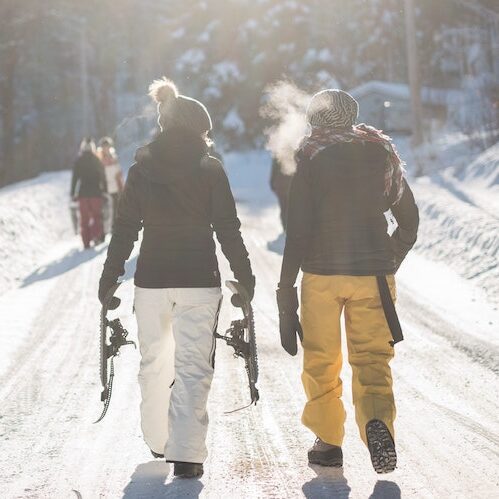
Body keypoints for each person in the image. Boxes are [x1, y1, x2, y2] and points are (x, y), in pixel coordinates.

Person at [98, 78, 254, 478]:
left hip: (151, 280)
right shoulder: (210, 168)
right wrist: (245, 275)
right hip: (200, 280)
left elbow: (126, 228)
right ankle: (186, 454)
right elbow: (228, 227)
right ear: (199, 129)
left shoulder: (141, 168)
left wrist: (110, 275)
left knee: (153, 362)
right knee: (192, 365)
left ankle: (157, 439)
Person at [276, 89, 419, 473]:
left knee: (322, 359)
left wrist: (285, 288)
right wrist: (392, 257)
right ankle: (377, 421)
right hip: (373, 274)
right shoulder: (381, 153)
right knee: (372, 358)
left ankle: (327, 443)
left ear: (315, 120)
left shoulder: (310, 156)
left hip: (322, 275)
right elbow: (409, 221)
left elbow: (299, 230)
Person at [70, 138, 107, 249]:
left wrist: (73, 193)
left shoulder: (79, 161)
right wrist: (105, 191)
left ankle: (86, 242)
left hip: (83, 195)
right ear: (92, 147)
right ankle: (95, 236)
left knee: (84, 219)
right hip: (96, 194)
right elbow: (103, 177)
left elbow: (75, 178)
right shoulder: (97, 160)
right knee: (97, 217)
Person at [96, 136, 124, 231]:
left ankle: (114, 228)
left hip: (115, 187)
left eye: (107, 146)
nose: (106, 148)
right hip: (104, 188)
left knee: (115, 209)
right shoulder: (99, 159)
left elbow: (119, 172)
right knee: (105, 210)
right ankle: (104, 230)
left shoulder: (114, 157)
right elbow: (98, 173)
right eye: (104, 146)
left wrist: (121, 185)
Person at [270, 156, 293, 232]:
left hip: (281, 186)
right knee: (290, 208)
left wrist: (272, 183)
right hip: (290, 186)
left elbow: (274, 170)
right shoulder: (293, 152)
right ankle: (289, 227)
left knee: (284, 208)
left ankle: (285, 227)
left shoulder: (278, 154)